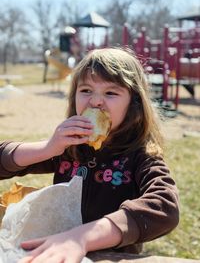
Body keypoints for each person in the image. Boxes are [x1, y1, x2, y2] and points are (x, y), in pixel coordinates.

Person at [0, 47, 179, 263]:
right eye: (86, 90)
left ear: (134, 103)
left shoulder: (142, 156)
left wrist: (81, 237)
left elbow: (166, 206)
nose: (95, 102)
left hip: (110, 257)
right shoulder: (70, 146)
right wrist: (48, 148)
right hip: (54, 253)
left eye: (110, 93)